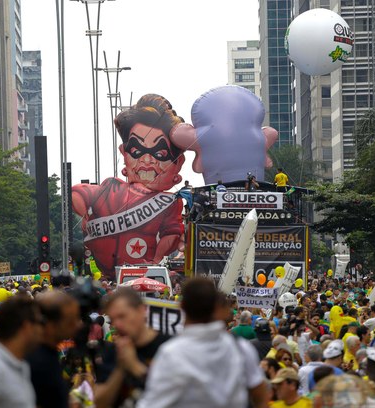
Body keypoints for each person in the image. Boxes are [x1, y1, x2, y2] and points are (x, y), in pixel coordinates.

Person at [72, 94, 186, 275]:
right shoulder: (111, 188)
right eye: (137, 150)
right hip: (110, 273)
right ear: (124, 153)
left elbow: (171, 234)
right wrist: (86, 215)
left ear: (178, 164)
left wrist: (155, 263)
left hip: (141, 272)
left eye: (160, 153)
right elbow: (77, 193)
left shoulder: (170, 203)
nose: (147, 160)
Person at [138, 278, 269, 408]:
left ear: (182, 307)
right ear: (217, 308)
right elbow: (260, 393)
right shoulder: (241, 348)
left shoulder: (171, 353)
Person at [94, 288, 171, 408]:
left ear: (142, 311)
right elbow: (99, 403)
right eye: (113, 319)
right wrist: (120, 369)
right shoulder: (112, 351)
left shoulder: (169, 347)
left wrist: (134, 366)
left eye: (122, 316)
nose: (117, 325)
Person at [27, 291, 83, 408]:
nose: (78, 325)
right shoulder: (37, 363)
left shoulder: (47, 353)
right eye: (70, 322)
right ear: (50, 325)